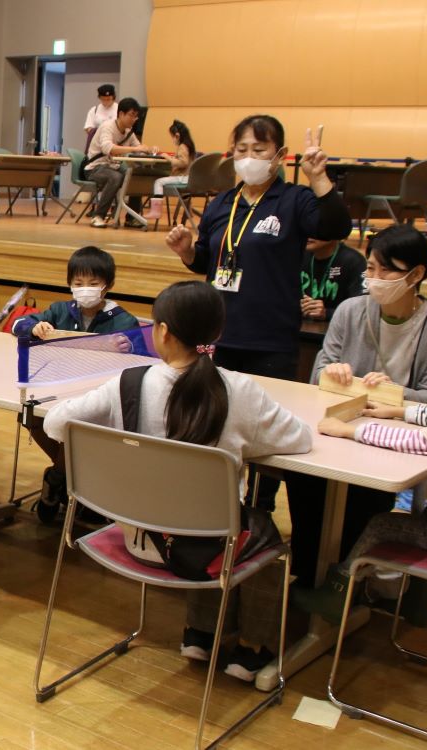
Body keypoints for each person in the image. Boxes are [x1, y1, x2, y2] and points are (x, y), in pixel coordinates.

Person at [43, 281, 312, 682]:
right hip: (204, 550)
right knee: (258, 527)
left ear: (163, 332)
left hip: (137, 537)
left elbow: (55, 424)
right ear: (217, 332)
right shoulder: (239, 390)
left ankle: (200, 633)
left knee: (209, 519)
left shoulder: (129, 384)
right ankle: (253, 650)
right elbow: (299, 439)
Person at [166, 115, 350, 510]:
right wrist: (187, 252)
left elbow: (336, 226)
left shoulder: (295, 200)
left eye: (259, 150)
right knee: (214, 420)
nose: (249, 157)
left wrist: (319, 177)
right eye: (242, 149)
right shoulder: (222, 203)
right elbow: (208, 261)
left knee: (264, 426)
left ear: (280, 155)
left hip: (270, 337)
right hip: (219, 335)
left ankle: (260, 506)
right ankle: (211, 502)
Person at [286, 224, 427, 586]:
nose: (374, 278)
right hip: (339, 426)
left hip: (391, 436)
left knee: (363, 499)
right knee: (304, 479)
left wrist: (394, 392)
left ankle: (348, 578)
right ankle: (307, 575)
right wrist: (334, 372)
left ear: (416, 274)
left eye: (386, 270)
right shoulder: (350, 311)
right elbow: (319, 371)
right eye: (370, 268)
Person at [299, 325, 427, 624]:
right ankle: (414, 602)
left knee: (383, 524)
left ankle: (337, 594)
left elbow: (417, 441)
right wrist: (399, 412)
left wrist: (349, 430)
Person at [11, 246, 141, 524]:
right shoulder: (59, 310)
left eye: (93, 283)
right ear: (70, 284)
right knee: (30, 416)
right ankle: (72, 479)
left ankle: (58, 478)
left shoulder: (124, 319)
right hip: (56, 390)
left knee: (79, 431)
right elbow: (17, 324)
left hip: (100, 398)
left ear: (107, 285)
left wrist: (125, 347)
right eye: (78, 283)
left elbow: (138, 356)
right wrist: (32, 328)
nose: (85, 290)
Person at [83, 97, 157, 229]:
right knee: (116, 177)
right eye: (131, 115)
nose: (134, 119)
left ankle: (132, 218)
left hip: (113, 167)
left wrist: (149, 150)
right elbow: (108, 148)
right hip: (94, 168)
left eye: (136, 116)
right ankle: (98, 216)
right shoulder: (107, 127)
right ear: (121, 114)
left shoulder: (129, 132)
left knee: (134, 175)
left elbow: (139, 149)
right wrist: (135, 149)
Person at [299, 235, 366, 321]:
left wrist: (327, 313)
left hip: (337, 326)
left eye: (317, 229)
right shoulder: (298, 254)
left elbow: (361, 310)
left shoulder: (354, 261)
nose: (309, 233)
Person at [145, 120, 196, 223]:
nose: (172, 139)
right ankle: (188, 210)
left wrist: (168, 158)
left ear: (177, 136)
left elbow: (183, 163)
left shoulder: (182, 146)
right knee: (182, 192)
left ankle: (156, 210)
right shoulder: (189, 145)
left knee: (158, 182)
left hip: (182, 178)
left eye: (172, 137)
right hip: (187, 178)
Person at [83, 84, 118, 153]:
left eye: (108, 99)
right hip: (97, 144)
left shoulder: (119, 109)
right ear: (99, 98)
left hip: (114, 142)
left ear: (113, 97)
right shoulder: (94, 110)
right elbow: (88, 128)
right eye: (103, 99)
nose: (106, 102)